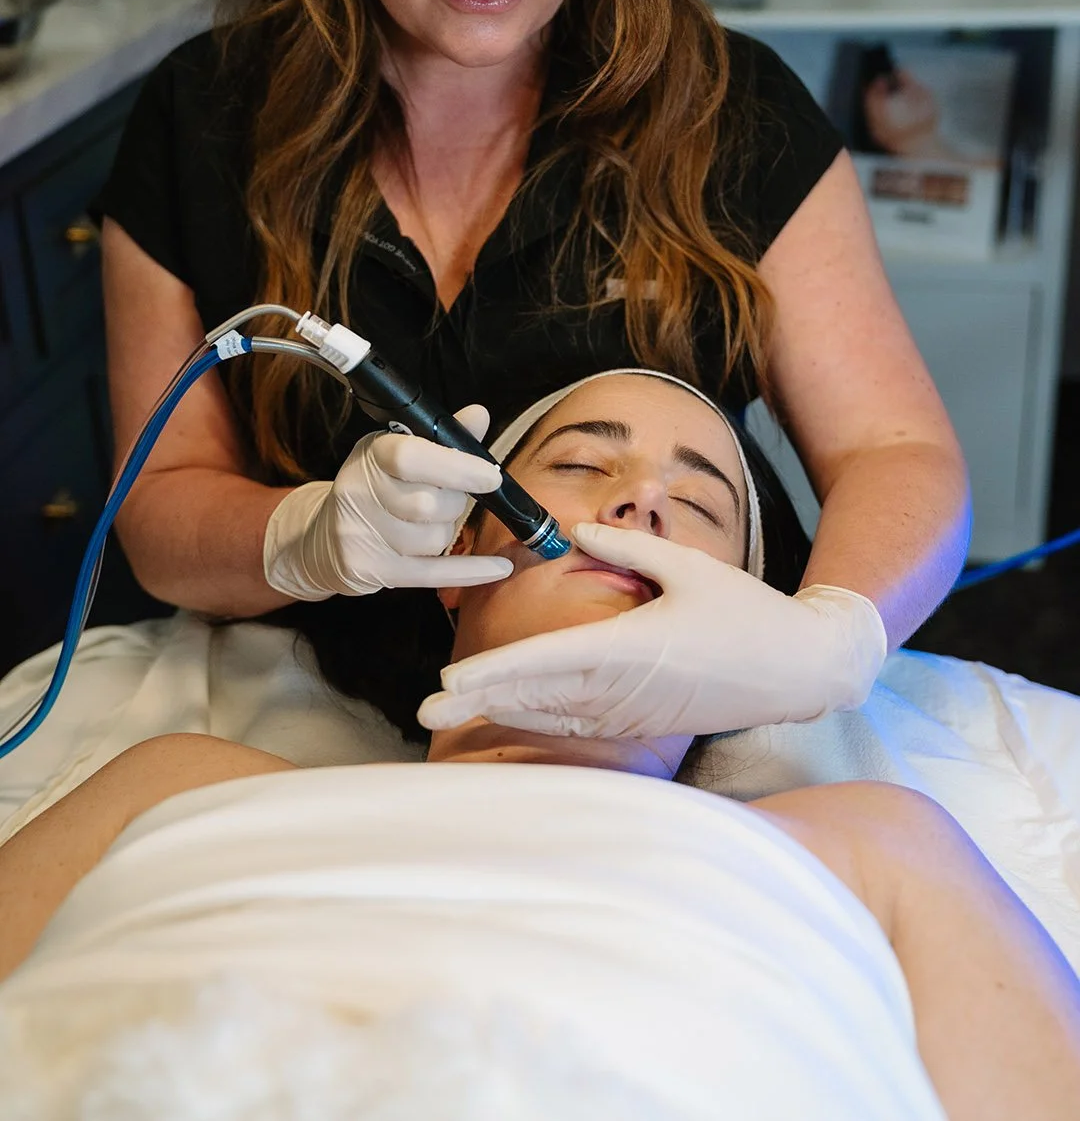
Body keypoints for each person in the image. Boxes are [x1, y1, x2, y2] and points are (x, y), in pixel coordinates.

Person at [97, 0, 970, 747]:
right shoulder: (199, 121)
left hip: (675, 742)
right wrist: (302, 540)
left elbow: (897, 449)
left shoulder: (734, 115)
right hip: (333, 733)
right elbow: (160, 511)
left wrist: (831, 632)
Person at [0, 375, 1076, 1119]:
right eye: (575, 465)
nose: (641, 497)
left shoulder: (870, 843)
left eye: (697, 503)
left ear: (759, 632)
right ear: (454, 554)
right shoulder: (182, 778)